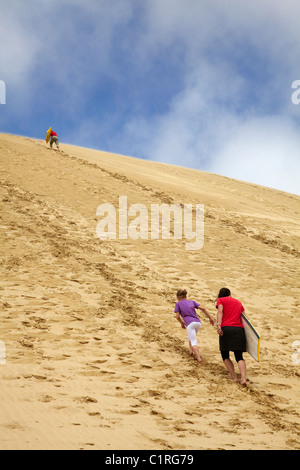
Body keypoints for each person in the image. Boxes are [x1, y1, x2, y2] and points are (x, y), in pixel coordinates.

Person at [216, 287, 247, 386]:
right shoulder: (238, 302)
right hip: (239, 330)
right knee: (239, 356)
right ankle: (243, 379)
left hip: (226, 329)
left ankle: (234, 377)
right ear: (230, 294)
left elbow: (220, 311)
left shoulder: (220, 300)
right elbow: (244, 317)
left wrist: (218, 325)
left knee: (225, 355)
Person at [174, 289, 214, 363]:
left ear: (178, 297)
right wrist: (210, 317)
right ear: (186, 296)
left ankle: (198, 358)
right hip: (198, 323)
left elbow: (177, 317)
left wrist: (182, 323)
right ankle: (191, 351)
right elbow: (203, 308)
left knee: (193, 340)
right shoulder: (192, 301)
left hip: (190, 323)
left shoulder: (178, 304)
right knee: (191, 336)